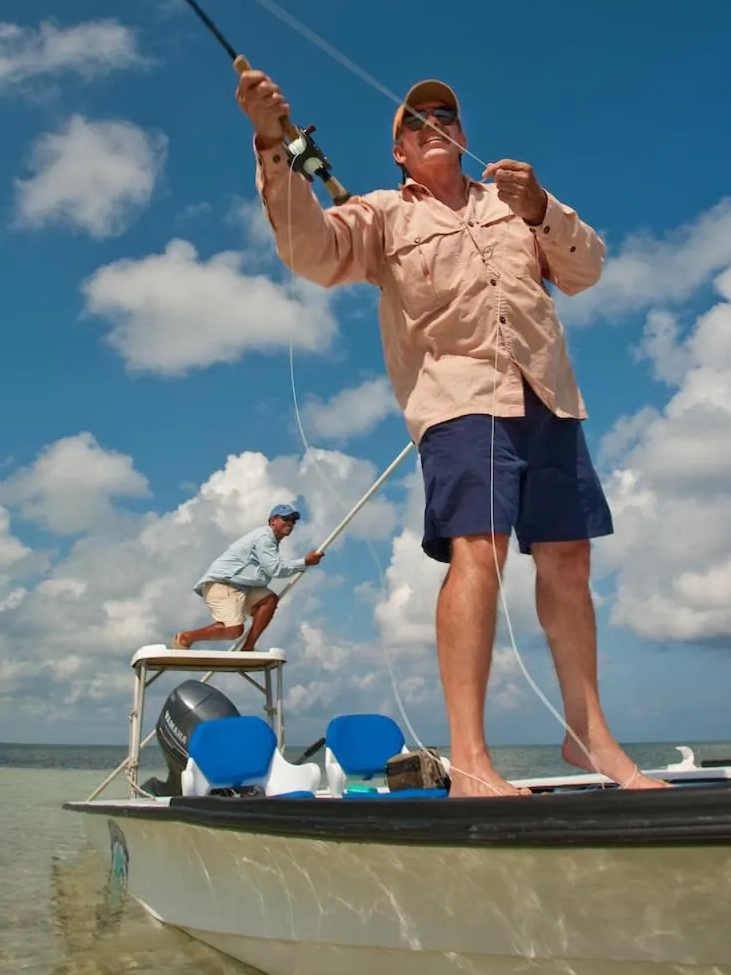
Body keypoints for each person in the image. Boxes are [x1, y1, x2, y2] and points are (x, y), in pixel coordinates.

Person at [235, 67, 668, 797]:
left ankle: (587, 735)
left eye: (445, 114)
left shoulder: (515, 204)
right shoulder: (380, 217)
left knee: (569, 561)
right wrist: (271, 140)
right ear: (400, 151)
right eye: (415, 120)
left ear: (463, 136)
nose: (432, 121)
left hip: (550, 398)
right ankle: (470, 760)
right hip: (459, 400)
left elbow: (587, 269)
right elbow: (308, 250)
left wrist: (541, 210)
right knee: (479, 553)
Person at [172, 504, 323, 653]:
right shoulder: (265, 537)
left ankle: (248, 647)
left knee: (269, 600)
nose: (290, 523)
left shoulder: (271, 541)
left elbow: (265, 573)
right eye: (286, 519)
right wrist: (304, 562)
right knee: (234, 630)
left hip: (240, 586)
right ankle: (186, 637)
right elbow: (275, 569)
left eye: (293, 520)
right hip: (223, 583)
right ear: (272, 521)